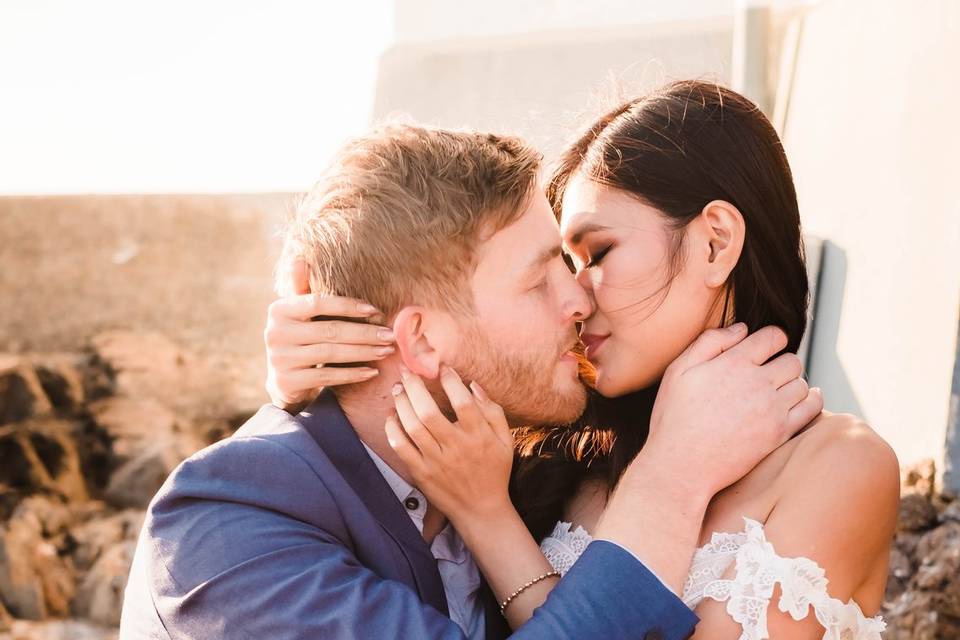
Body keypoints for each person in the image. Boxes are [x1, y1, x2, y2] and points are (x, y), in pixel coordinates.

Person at [120, 118, 820, 639]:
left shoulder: (494, 464)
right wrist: (672, 475)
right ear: (422, 338)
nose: (580, 299)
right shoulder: (225, 526)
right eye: (540, 278)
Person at [263, 81, 898, 639]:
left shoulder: (840, 465)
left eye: (596, 254)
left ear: (715, 242)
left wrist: (492, 524)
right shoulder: (549, 448)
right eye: (557, 271)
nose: (575, 298)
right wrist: (317, 370)